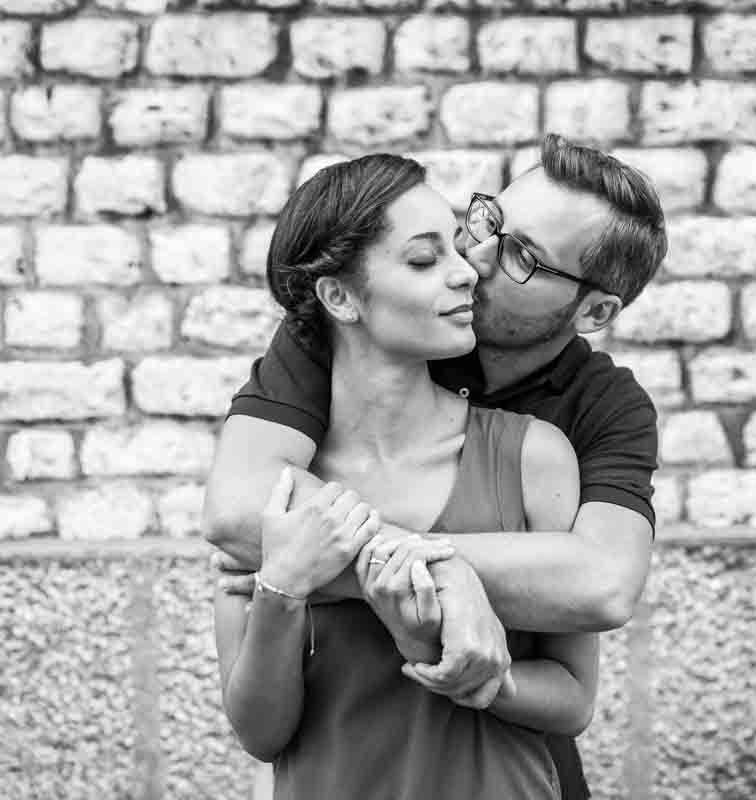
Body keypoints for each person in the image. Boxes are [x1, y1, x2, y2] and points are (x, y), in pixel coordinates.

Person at [205, 134, 669, 798]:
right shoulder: (350, 334)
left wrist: (388, 564)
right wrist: (439, 573)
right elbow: (238, 509)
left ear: (594, 311)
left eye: (522, 256)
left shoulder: (592, 414)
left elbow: (602, 584)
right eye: (486, 223)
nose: (475, 261)